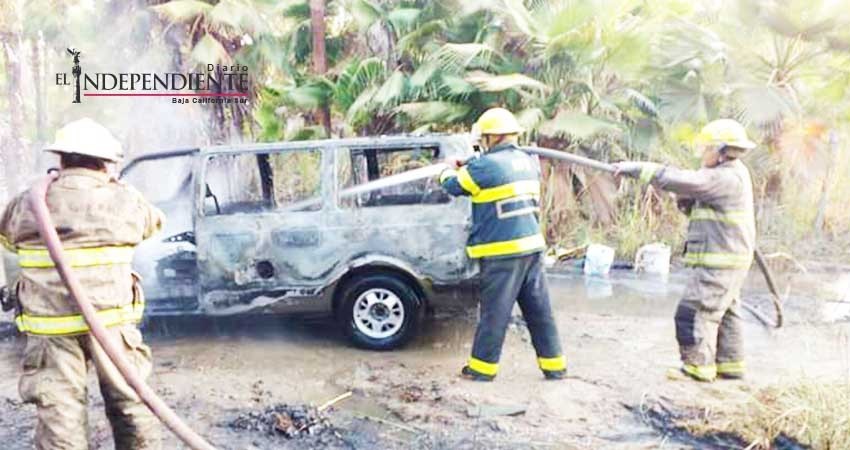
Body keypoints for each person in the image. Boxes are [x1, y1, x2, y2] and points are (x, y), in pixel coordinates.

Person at [0, 118, 164, 449]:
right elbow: (153, 225)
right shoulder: (124, 199)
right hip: (111, 325)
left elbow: (7, 238)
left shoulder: (27, 202)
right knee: (131, 402)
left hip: (50, 329)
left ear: (61, 159)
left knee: (59, 413)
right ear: (105, 163)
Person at [612, 119, 757, 382]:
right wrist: (684, 198)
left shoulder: (726, 177)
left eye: (706, 148)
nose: (702, 154)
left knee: (693, 312)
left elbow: (685, 180)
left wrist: (636, 169)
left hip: (720, 263)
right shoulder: (729, 174)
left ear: (722, 150)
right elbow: (696, 201)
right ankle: (731, 366)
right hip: (730, 259)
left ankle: (697, 369)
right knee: (724, 312)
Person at [439, 107, 567, 381]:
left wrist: (446, 169)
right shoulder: (527, 161)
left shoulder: (485, 166)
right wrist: (469, 163)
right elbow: (491, 173)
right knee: (539, 311)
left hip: (502, 252)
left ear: (491, 137)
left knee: (494, 314)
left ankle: (482, 370)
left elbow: (452, 185)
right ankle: (555, 367)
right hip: (531, 249)